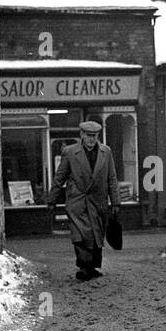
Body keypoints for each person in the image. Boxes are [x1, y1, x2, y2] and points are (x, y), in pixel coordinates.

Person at [50, 119, 120, 280]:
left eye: (94, 136)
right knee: (81, 234)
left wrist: (115, 201)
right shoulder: (70, 152)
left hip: (98, 201)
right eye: (88, 135)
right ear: (81, 135)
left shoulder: (106, 152)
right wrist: (51, 199)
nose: (91, 139)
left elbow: (112, 178)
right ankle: (84, 267)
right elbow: (60, 177)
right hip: (78, 200)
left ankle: (92, 266)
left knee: (96, 235)